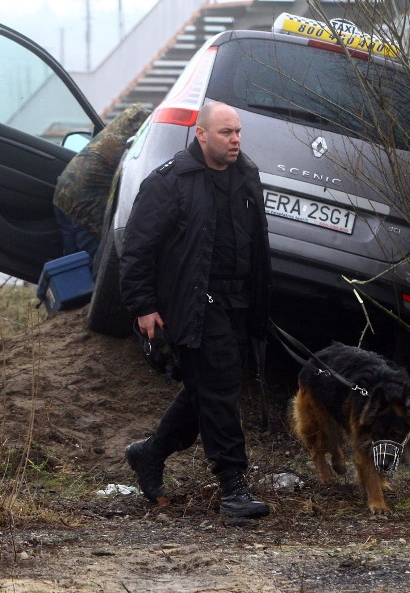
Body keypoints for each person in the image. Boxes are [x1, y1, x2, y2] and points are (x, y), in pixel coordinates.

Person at [119, 101, 272, 518]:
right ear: (201, 134)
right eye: (226, 132)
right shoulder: (170, 181)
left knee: (206, 388)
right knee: (220, 390)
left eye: (238, 132)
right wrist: (144, 306)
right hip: (192, 306)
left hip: (236, 302)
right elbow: (136, 250)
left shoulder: (248, 176)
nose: (236, 139)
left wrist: (260, 303)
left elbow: (257, 245)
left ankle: (150, 452)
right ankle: (233, 486)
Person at [53, 103, 151, 265]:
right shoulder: (132, 144)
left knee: (69, 263)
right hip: (84, 205)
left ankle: (58, 289)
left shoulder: (109, 135)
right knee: (95, 264)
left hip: (62, 193)